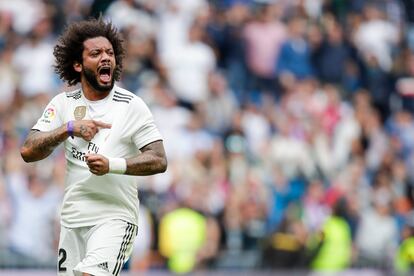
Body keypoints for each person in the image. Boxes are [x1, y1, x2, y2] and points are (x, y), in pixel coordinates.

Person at [19, 18, 167, 276]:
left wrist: (113, 165)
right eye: (96, 53)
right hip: (73, 220)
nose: (106, 58)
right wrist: (68, 129)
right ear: (77, 64)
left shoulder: (131, 105)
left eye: (110, 53)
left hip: (114, 217)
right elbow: (28, 151)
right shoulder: (63, 104)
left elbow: (158, 159)